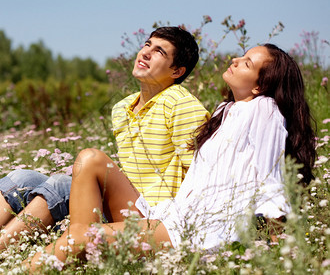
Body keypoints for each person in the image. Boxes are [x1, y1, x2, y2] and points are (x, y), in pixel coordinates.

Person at [0, 27, 209, 273]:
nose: (146, 52)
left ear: (177, 71)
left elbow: (197, 173)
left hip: (154, 215)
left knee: (61, 185)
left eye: (159, 52)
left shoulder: (183, 105)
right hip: (122, 199)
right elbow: (133, 167)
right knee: (25, 176)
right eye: (147, 45)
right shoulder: (123, 107)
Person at [26, 43, 316, 271]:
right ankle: (79, 256)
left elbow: (270, 177)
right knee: (90, 160)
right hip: (174, 216)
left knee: (80, 237)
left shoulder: (265, 110)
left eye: (247, 63)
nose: (235, 61)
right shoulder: (223, 112)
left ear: (259, 86)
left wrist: (278, 244)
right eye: (240, 56)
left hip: (204, 231)